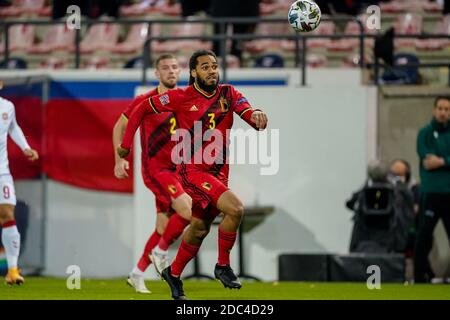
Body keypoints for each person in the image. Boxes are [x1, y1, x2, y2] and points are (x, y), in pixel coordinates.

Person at [118, 49, 268, 300]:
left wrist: (258, 114)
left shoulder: (228, 93)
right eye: (205, 67)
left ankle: (173, 274)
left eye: (214, 66)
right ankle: (223, 265)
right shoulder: (181, 97)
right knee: (236, 209)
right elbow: (141, 109)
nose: (212, 70)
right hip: (192, 170)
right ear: (194, 72)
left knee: (199, 228)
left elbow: (250, 115)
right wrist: (125, 145)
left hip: (219, 172)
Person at [112, 54, 192, 293]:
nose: (171, 71)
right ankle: (160, 252)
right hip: (156, 170)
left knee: (162, 226)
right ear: (156, 74)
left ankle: (136, 273)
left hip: (178, 171)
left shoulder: (185, 98)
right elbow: (120, 126)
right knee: (187, 211)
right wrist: (119, 159)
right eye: (165, 68)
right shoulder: (145, 100)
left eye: (175, 67)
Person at [0, 80, 39, 286]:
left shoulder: (7, 107)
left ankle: (13, 270)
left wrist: (26, 148)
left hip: (2, 172)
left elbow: (14, 128)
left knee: (7, 214)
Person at [414, 95, 450, 283]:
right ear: (434, 110)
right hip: (431, 193)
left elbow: (437, 161)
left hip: (449, 193)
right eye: (441, 108)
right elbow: (427, 161)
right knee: (424, 236)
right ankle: (420, 276)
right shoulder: (425, 133)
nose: (443, 112)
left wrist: (442, 161)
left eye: (447, 109)